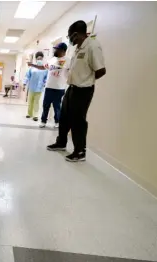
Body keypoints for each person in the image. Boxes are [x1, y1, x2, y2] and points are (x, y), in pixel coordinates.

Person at [46, 20, 106, 162]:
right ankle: (61, 143)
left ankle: (80, 151)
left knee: (78, 121)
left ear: (76, 34)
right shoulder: (79, 48)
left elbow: (101, 70)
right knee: (64, 116)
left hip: (83, 90)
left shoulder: (92, 46)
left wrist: (86, 81)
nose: (70, 40)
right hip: (72, 88)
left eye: (69, 36)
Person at [39, 42, 70, 128]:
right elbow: (44, 67)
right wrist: (33, 65)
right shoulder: (52, 59)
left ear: (63, 50)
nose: (55, 51)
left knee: (57, 106)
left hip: (59, 88)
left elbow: (71, 71)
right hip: (49, 86)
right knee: (46, 105)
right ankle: (43, 121)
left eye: (57, 49)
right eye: (55, 49)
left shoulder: (68, 60)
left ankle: (57, 122)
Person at [23, 51, 48, 121]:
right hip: (31, 87)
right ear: (36, 59)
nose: (39, 59)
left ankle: (35, 115)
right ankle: (29, 113)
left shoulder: (44, 68)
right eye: (38, 58)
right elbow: (27, 76)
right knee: (30, 101)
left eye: (41, 58)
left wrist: (44, 83)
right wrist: (24, 84)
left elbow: (46, 77)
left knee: (37, 101)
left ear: (42, 58)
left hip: (39, 88)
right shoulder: (32, 68)